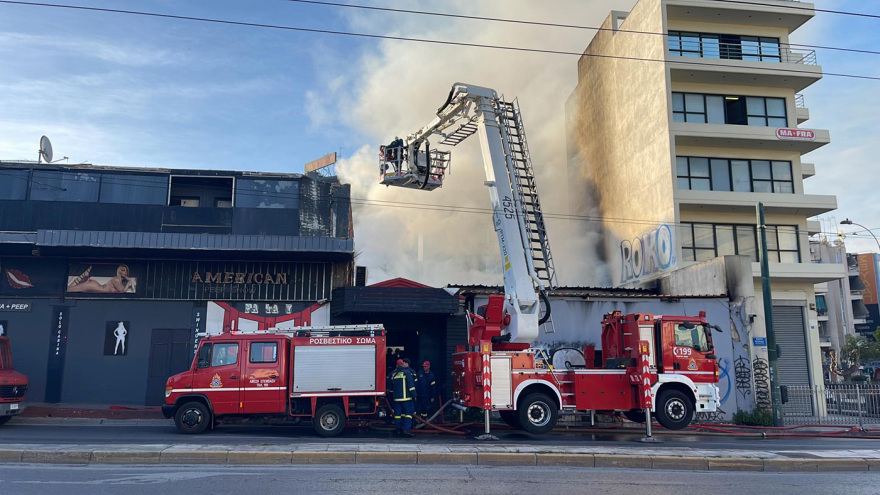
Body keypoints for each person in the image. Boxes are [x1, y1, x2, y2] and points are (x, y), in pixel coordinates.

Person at [390, 358, 417, 437]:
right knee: (408, 413)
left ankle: (398, 429)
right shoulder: (407, 373)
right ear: (402, 364)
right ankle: (406, 430)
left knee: (397, 414)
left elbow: (391, 387)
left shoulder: (393, 374)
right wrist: (414, 395)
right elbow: (411, 386)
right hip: (406, 398)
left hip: (397, 399)